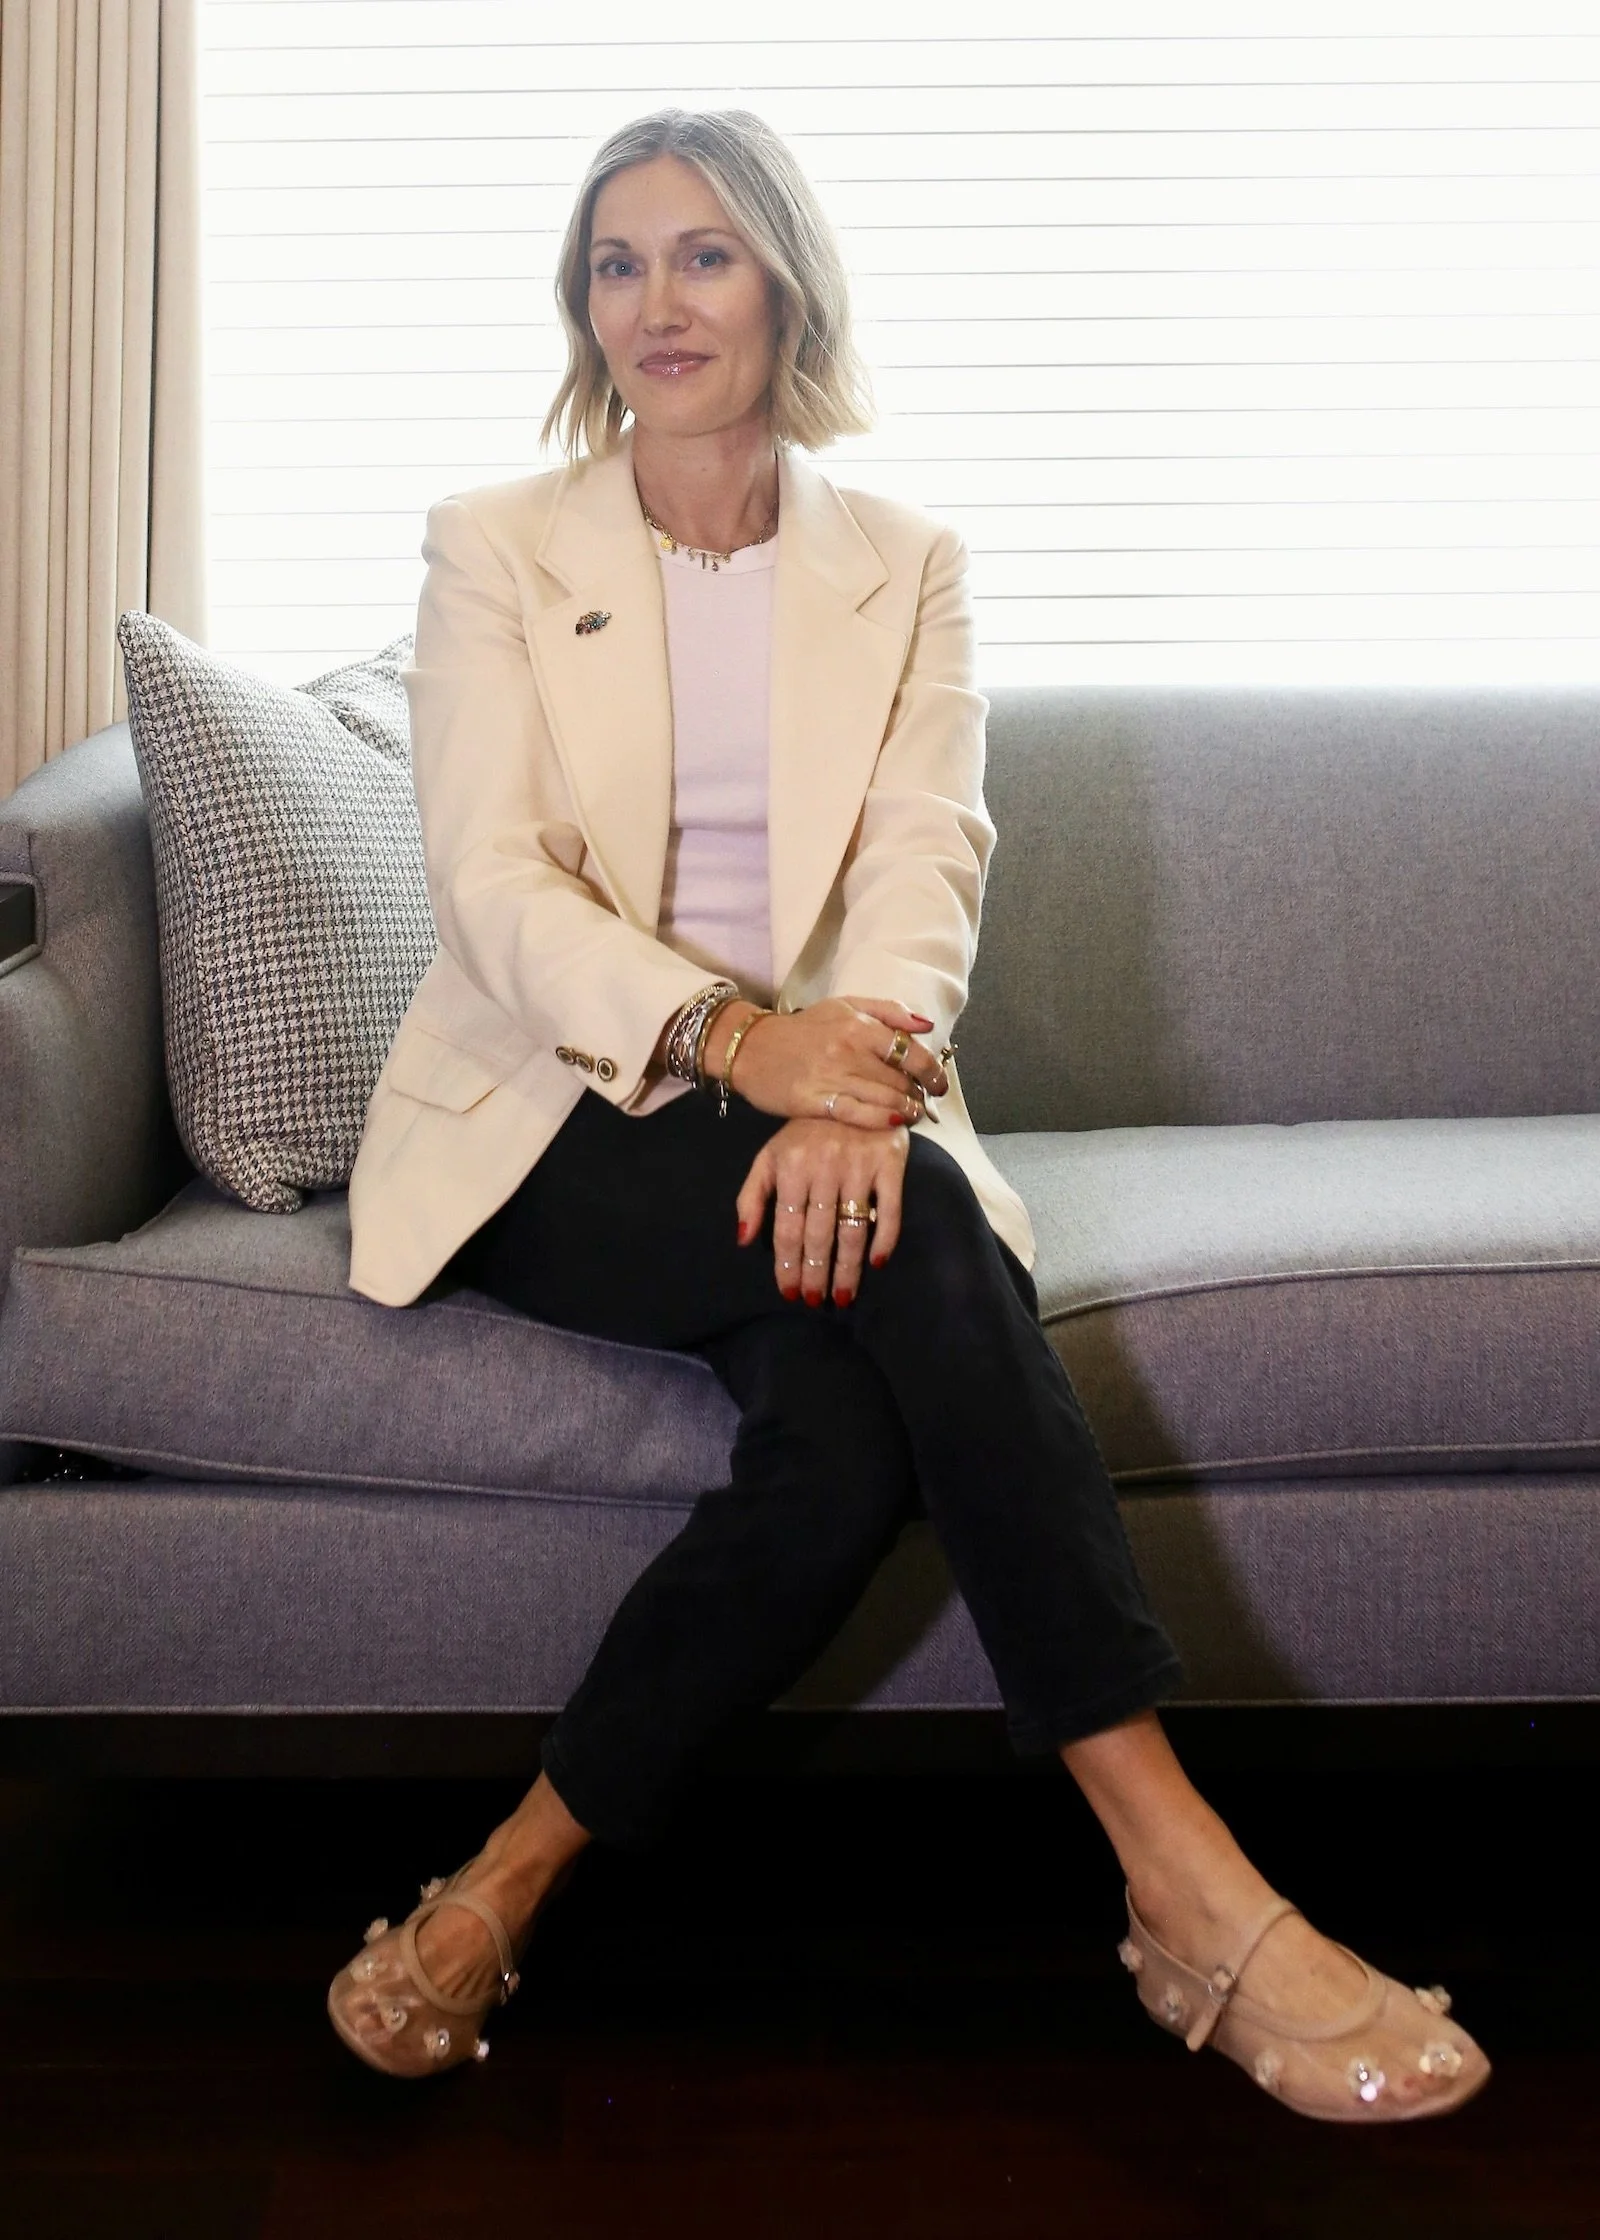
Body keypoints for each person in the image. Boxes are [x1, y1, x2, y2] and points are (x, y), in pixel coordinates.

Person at [327, 107, 1487, 2123]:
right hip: (552, 1109)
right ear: (579, 307)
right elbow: (495, 894)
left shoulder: (906, 562)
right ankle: (1186, 1884)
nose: (659, 301)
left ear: (783, 279)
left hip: (819, 1087)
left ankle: (501, 1881)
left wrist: (850, 1079)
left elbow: (925, 850)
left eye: (703, 253)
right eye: (617, 262)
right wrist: (737, 1040)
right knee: (937, 1249)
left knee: (848, 1423)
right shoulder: (492, 544)